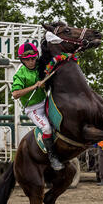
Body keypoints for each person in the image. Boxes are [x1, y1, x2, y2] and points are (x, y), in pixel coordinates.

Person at [11, 42, 64, 171]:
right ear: (22, 60)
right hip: (33, 109)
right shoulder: (20, 75)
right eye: (27, 60)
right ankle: (53, 158)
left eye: (33, 58)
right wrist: (34, 86)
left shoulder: (41, 65)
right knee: (46, 128)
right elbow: (15, 94)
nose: (31, 62)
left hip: (46, 101)